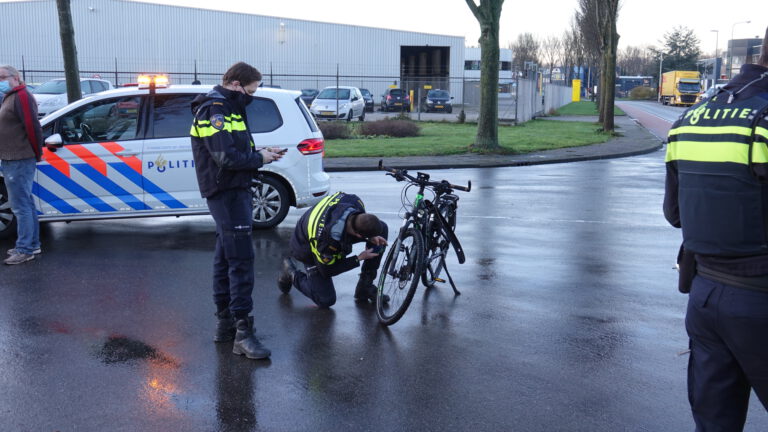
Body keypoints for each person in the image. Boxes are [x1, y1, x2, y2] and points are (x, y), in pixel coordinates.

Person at [664, 27, 768, 431]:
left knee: (715, 422)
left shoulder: (690, 118)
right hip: (761, 298)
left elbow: (675, 214)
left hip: (705, 298)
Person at [190, 62, 283, 360]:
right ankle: (243, 332)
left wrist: (261, 154)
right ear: (235, 84)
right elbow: (225, 156)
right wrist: (260, 158)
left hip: (231, 188)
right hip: (227, 191)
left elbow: (233, 149)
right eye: (251, 90)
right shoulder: (215, 110)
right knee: (241, 259)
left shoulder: (227, 107)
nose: (253, 96)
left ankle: (225, 324)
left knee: (225, 256)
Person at [277, 192, 388, 308]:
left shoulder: (354, 202)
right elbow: (327, 270)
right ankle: (290, 273)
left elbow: (363, 223)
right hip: (305, 247)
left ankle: (365, 286)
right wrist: (358, 258)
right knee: (325, 299)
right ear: (359, 235)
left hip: (332, 227)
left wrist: (371, 237)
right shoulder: (327, 242)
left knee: (382, 228)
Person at [0, 65, 43, 265]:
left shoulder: (22, 96)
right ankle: (32, 244)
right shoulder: (10, 96)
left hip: (19, 159)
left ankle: (24, 249)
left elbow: (33, 126)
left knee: (20, 207)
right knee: (26, 204)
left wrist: (36, 153)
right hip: (12, 158)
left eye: (2, 77)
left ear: (16, 77)